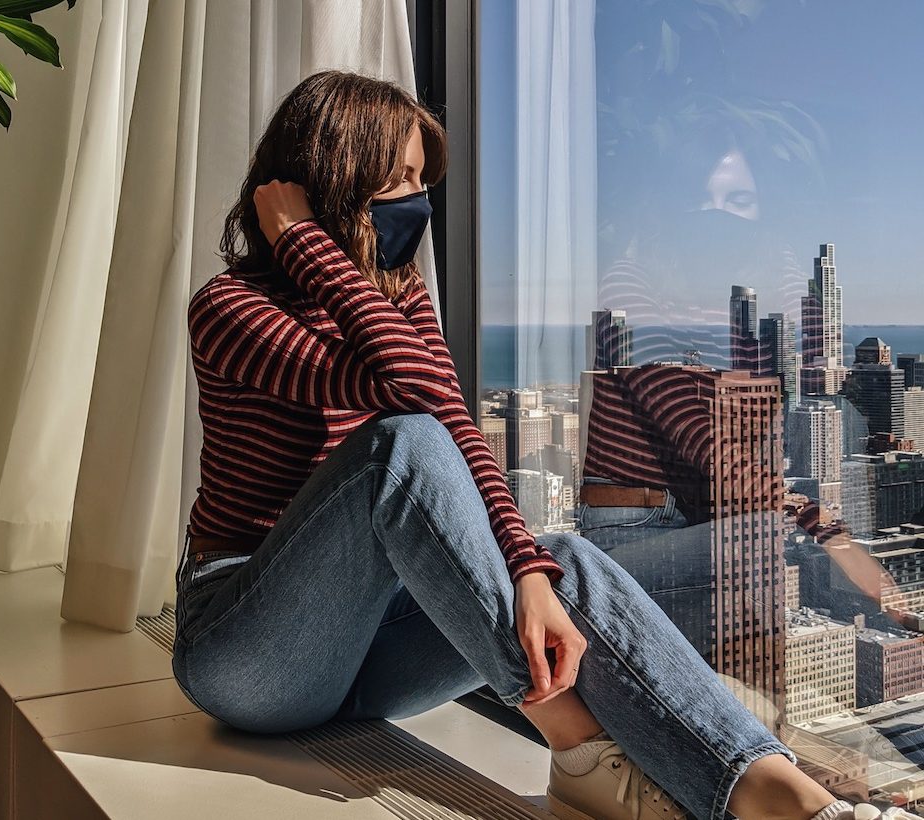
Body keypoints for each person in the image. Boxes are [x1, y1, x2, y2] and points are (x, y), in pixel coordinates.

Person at [170, 70, 916, 820]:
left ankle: (786, 801)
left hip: (365, 664)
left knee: (571, 566)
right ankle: (581, 749)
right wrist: (307, 245)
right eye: (396, 179)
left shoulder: (398, 302)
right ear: (334, 177)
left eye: (420, 182)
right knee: (399, 443)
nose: (415, 203)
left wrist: (529, 568)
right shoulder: (231, 308)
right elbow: (409, 406)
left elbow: (459, 431)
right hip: (248, 652)